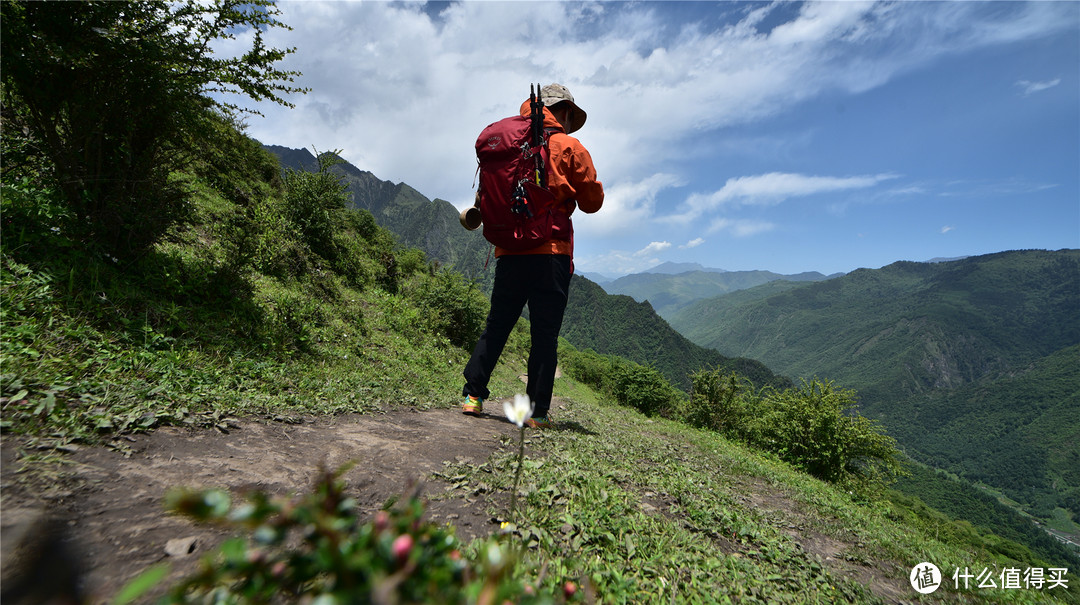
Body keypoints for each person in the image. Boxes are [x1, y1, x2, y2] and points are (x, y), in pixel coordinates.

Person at [461, 83, 604, 428]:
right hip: (550, 253)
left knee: (497, 324)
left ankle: (473, 396)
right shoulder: (569, 147)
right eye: (571, 116)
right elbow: (592, 202)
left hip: (509, 251)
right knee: (544, 334)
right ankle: (537, 413)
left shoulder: (509, 145)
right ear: (565, 112)